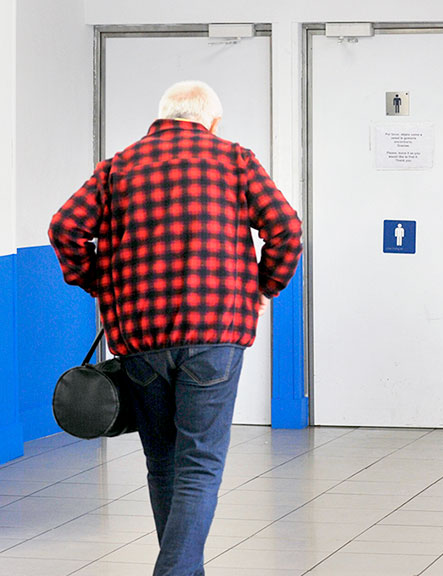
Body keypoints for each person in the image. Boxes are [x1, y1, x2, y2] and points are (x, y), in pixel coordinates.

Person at [48, 80, 302, 576]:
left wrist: (97, 282)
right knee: (200, 463)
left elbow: (64, 227)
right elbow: (286, 228)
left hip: (141, 337)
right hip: (217, 334)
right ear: (210, 121)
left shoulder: (118, 166)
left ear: (164, 117)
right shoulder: (234, 160)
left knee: (163, 461)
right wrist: (264, 286)